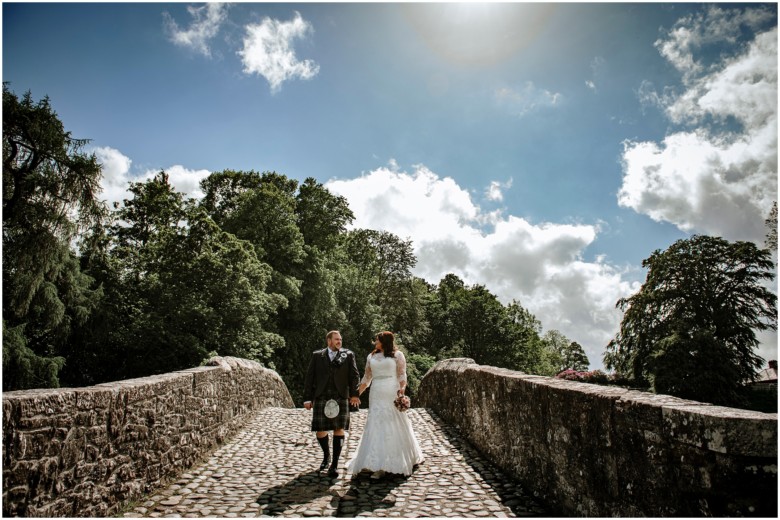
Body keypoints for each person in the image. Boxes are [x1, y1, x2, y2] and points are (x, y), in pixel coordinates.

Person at [347, 331, 424, 477]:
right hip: (376, 392)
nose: (375, 342)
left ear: (385, 341)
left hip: (391, 390)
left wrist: (401, 390)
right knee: (375, 423)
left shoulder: (397, 355)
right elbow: (366, 378)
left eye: (377, 339)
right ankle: (374, 461)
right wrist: (356, 394)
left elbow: (402, 374)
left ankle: (388, 464)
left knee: (392, 422)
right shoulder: (371, 356)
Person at [303, 330, 361, 478]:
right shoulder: (317, 356)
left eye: (340, 339)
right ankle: (326, 456)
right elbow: (310, 377)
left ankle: (334, 464)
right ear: (329, 341)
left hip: (340, 396)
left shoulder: (347, 355)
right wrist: (307, 398)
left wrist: (354, 394)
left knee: (339, 429)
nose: (339, 342)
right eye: (336, 339)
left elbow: (354, 375)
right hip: (321, 395)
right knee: (320, 430)